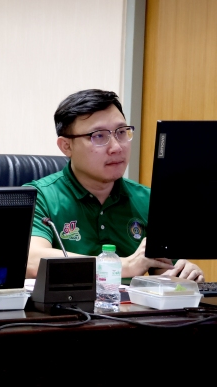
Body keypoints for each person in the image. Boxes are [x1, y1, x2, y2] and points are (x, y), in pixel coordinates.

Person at [24, 89, 203, 282]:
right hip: (66, 302)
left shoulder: (149, 200)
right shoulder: (39, 196)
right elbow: (31, 260)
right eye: (99, 136)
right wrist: (123, 266)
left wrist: (183, 274)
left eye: (121, 132)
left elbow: (165, 271)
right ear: (66, 146)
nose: (117, 147)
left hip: (131, 302)